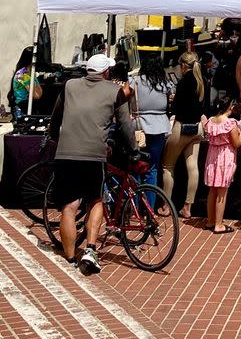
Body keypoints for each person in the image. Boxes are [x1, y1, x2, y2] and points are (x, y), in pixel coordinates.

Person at [48, 54, 136, 274]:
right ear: (106, 72)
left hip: (66, 153)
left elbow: (56, 116)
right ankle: (90, 248)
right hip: (93, 155)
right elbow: (125, 125)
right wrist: (134, 150)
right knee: (96, 200)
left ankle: (69, 258)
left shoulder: (69, 86)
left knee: (69, 207)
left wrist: (54, 136)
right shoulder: (113, 91)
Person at [161, 52, 206, 219]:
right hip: (197, 128)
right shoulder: (202, 82)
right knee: (192, 167)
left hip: (182, 127)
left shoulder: (183, 83)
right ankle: (188, 206)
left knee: (167, 166)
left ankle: (166, 205)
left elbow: (176, 109)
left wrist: (173, 100)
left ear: (183, 66)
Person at [130, 57, 173, 207]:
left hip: (138, 127)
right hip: (159, 127)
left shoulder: (134, 81)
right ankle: (150, 209)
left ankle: (134, 207)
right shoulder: (164, 83)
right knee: (152, 168)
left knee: (135, 167)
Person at [202, 96, 241, 233]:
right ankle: (219, 224)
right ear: (230, 107)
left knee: (212, 190)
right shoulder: (230, 123)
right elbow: (236, 143)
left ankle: (210, 221)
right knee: (222, 192)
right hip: (225, 158)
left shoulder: (211, 121)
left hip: (212, 157)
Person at [8, 47, 37, 120]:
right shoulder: (23, 74)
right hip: (22, 106)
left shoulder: (28, 72)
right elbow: (33, 94)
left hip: (23, 104)